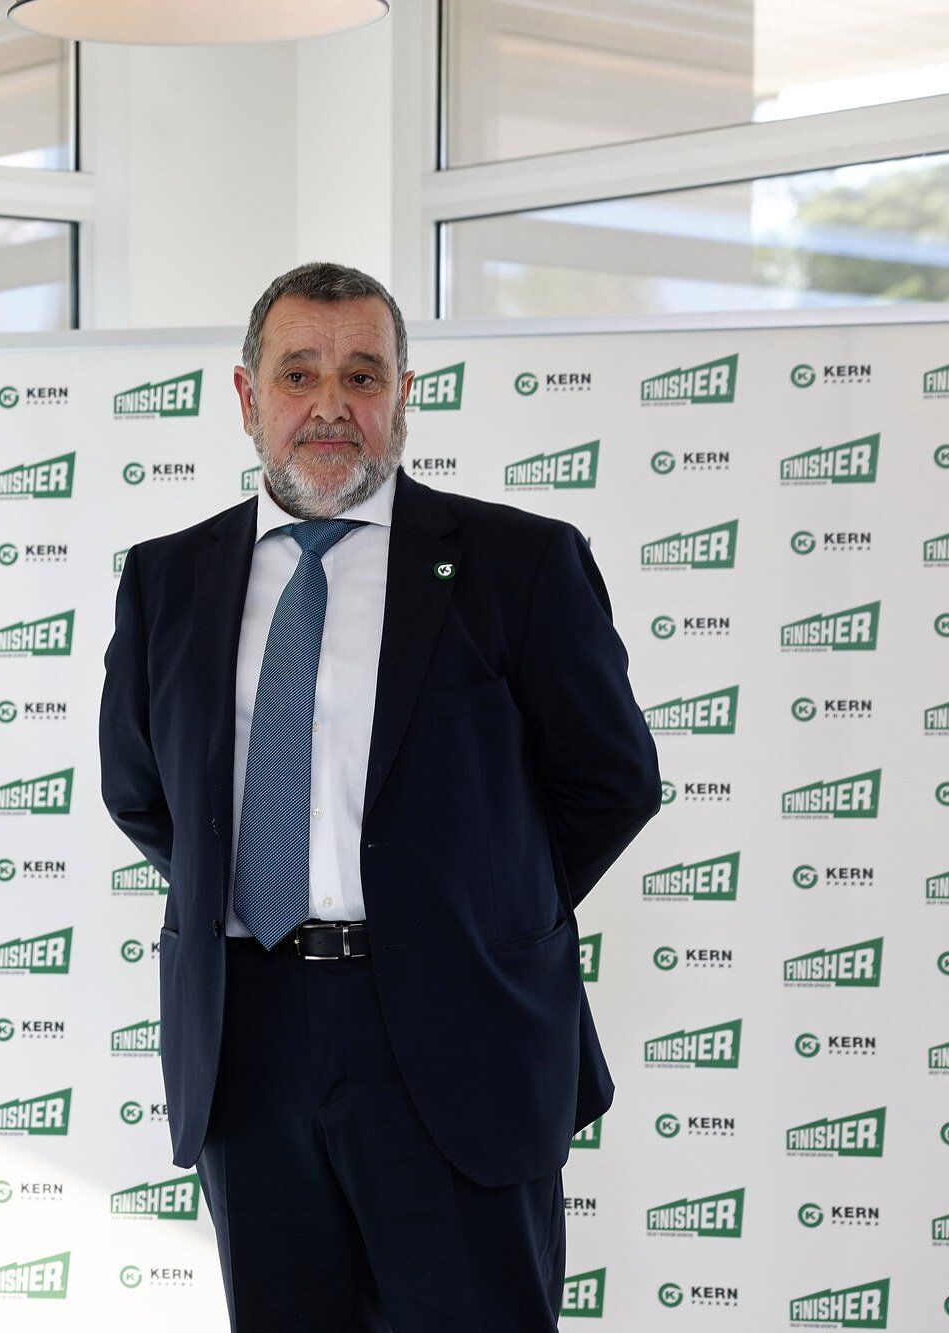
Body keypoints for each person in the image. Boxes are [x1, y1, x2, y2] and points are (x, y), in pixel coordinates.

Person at [98, 262, 659, 1330]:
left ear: (404, 397)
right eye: (296, 372)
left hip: (455, 1038)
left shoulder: (515, 563)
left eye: (361, 375)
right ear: (244, 395)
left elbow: (608, 779)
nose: (327, 405)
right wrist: (266, 880)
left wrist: (475, 910)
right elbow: (140, 786)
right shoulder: (168, 578)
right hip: (247, 1039)